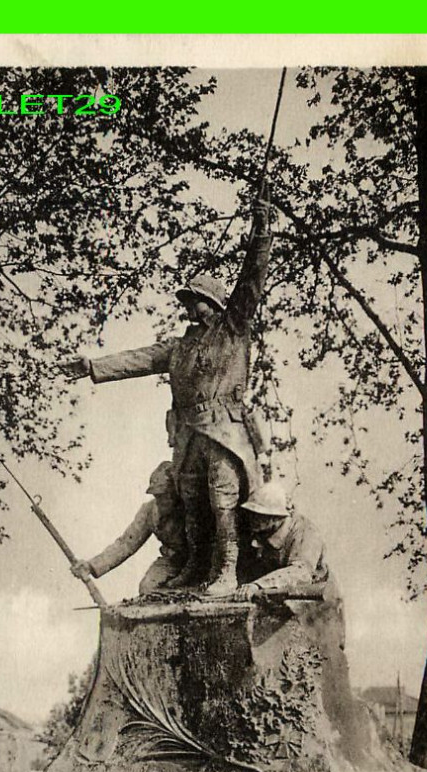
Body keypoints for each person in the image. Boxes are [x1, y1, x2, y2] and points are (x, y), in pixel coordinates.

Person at [65, 183, 272, 597]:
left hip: (225, 434)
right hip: (188, 436)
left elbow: (251, 281)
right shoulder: (179, 347)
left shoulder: (233, 330)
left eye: (197, 301)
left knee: (223, 500)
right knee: (193, 504)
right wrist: (93, 367)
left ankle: (227, 570)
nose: (190, 309)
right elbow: (141, 359)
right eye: (188, 302)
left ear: (215, 304)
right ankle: (197, 566)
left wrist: (261, 230)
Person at [69, 461, 188, 596]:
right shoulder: (149, 512)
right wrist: (91, 566)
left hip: (199, 562)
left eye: (165, 495)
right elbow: (126, 543)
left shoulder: (191, 509)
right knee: (147, 588)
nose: (160, 501)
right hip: (173, 561)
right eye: (157, 496)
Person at [234, 482, 338, 603]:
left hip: (317, 600)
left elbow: (302, 572)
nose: (252, 519)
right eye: (251, 514)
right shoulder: (261, 531)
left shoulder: (306, 532)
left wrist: (258, 585)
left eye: (259, 515)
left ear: (276, 516)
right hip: (278, 596)